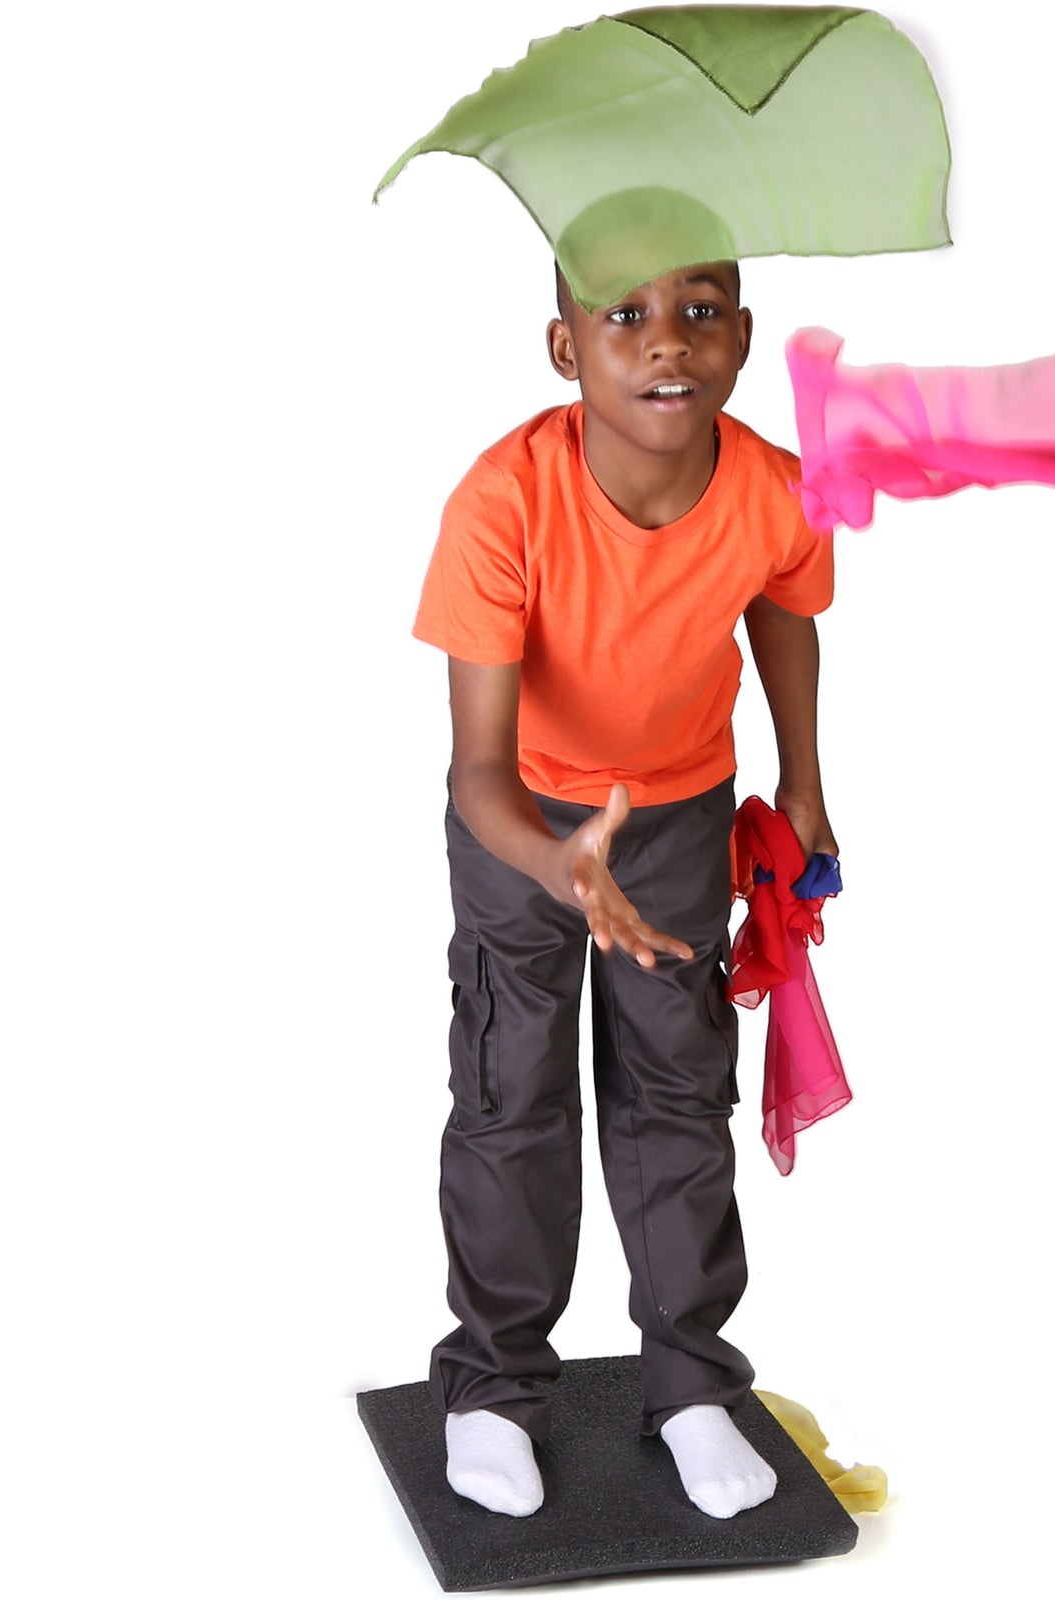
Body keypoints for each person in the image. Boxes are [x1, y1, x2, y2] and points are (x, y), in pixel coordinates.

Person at [412, 254, 837, 1521]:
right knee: (511, 1093)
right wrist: (555, 865)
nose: (667, 344)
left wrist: (802, 779)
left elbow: (783, 605)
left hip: (677, 811)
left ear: (742, 337)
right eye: (626, 316)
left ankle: (690, 1379)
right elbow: (477, 766)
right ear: (564, 349)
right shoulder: (504, 502)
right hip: (526, 829)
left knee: (674, 1088)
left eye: (699, 313)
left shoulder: (769, 486)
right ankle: (493, 1387)